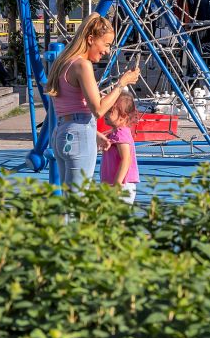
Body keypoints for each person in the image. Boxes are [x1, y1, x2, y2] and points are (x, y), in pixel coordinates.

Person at [47, 14, 141, 188]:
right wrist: (122, 83)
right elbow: (98, 109)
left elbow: (70, 108)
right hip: (78, 135)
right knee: (78, 202)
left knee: (68, 200)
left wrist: (95, 134)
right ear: (90, 39)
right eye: (106, 44)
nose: (107, 51)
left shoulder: (62, 63)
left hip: (61, 132)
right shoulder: (82, 65)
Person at [99, 91, 141, 204]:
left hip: (121, 184)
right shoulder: (116, 132)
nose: (105, 115)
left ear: (123, 116)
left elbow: (126, 159)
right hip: (115, 183)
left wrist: (117, 184)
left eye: (109, 112)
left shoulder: (121, 133)